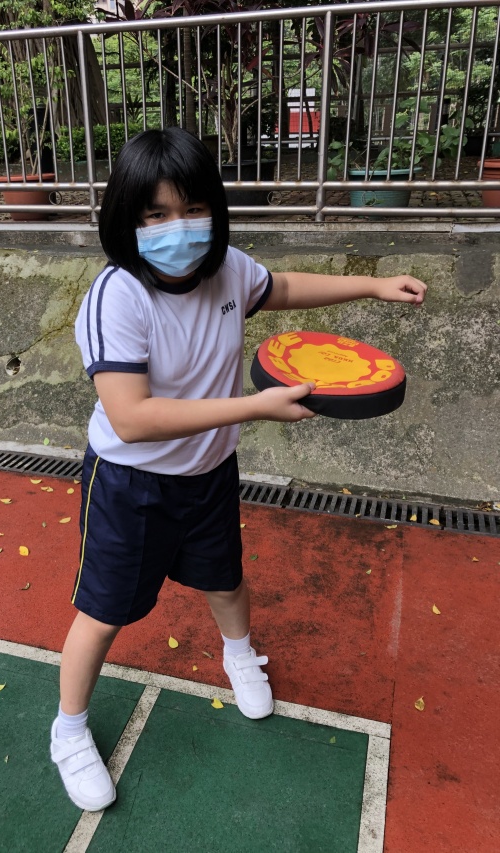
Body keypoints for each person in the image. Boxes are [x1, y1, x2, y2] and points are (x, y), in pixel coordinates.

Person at [50, 127, 427, 811]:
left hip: (209, 472)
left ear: (215, 210)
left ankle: (238, 653)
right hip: (131, 483)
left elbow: (282, 286)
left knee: (225, 579)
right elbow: (132, 416)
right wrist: (255, 407)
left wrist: (373, 285)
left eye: (193, 208)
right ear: (126, 219)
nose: (178, 228)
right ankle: (69, 730)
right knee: (102, 614)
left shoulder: (225, 269)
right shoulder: (117, 297)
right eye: (156, 214)